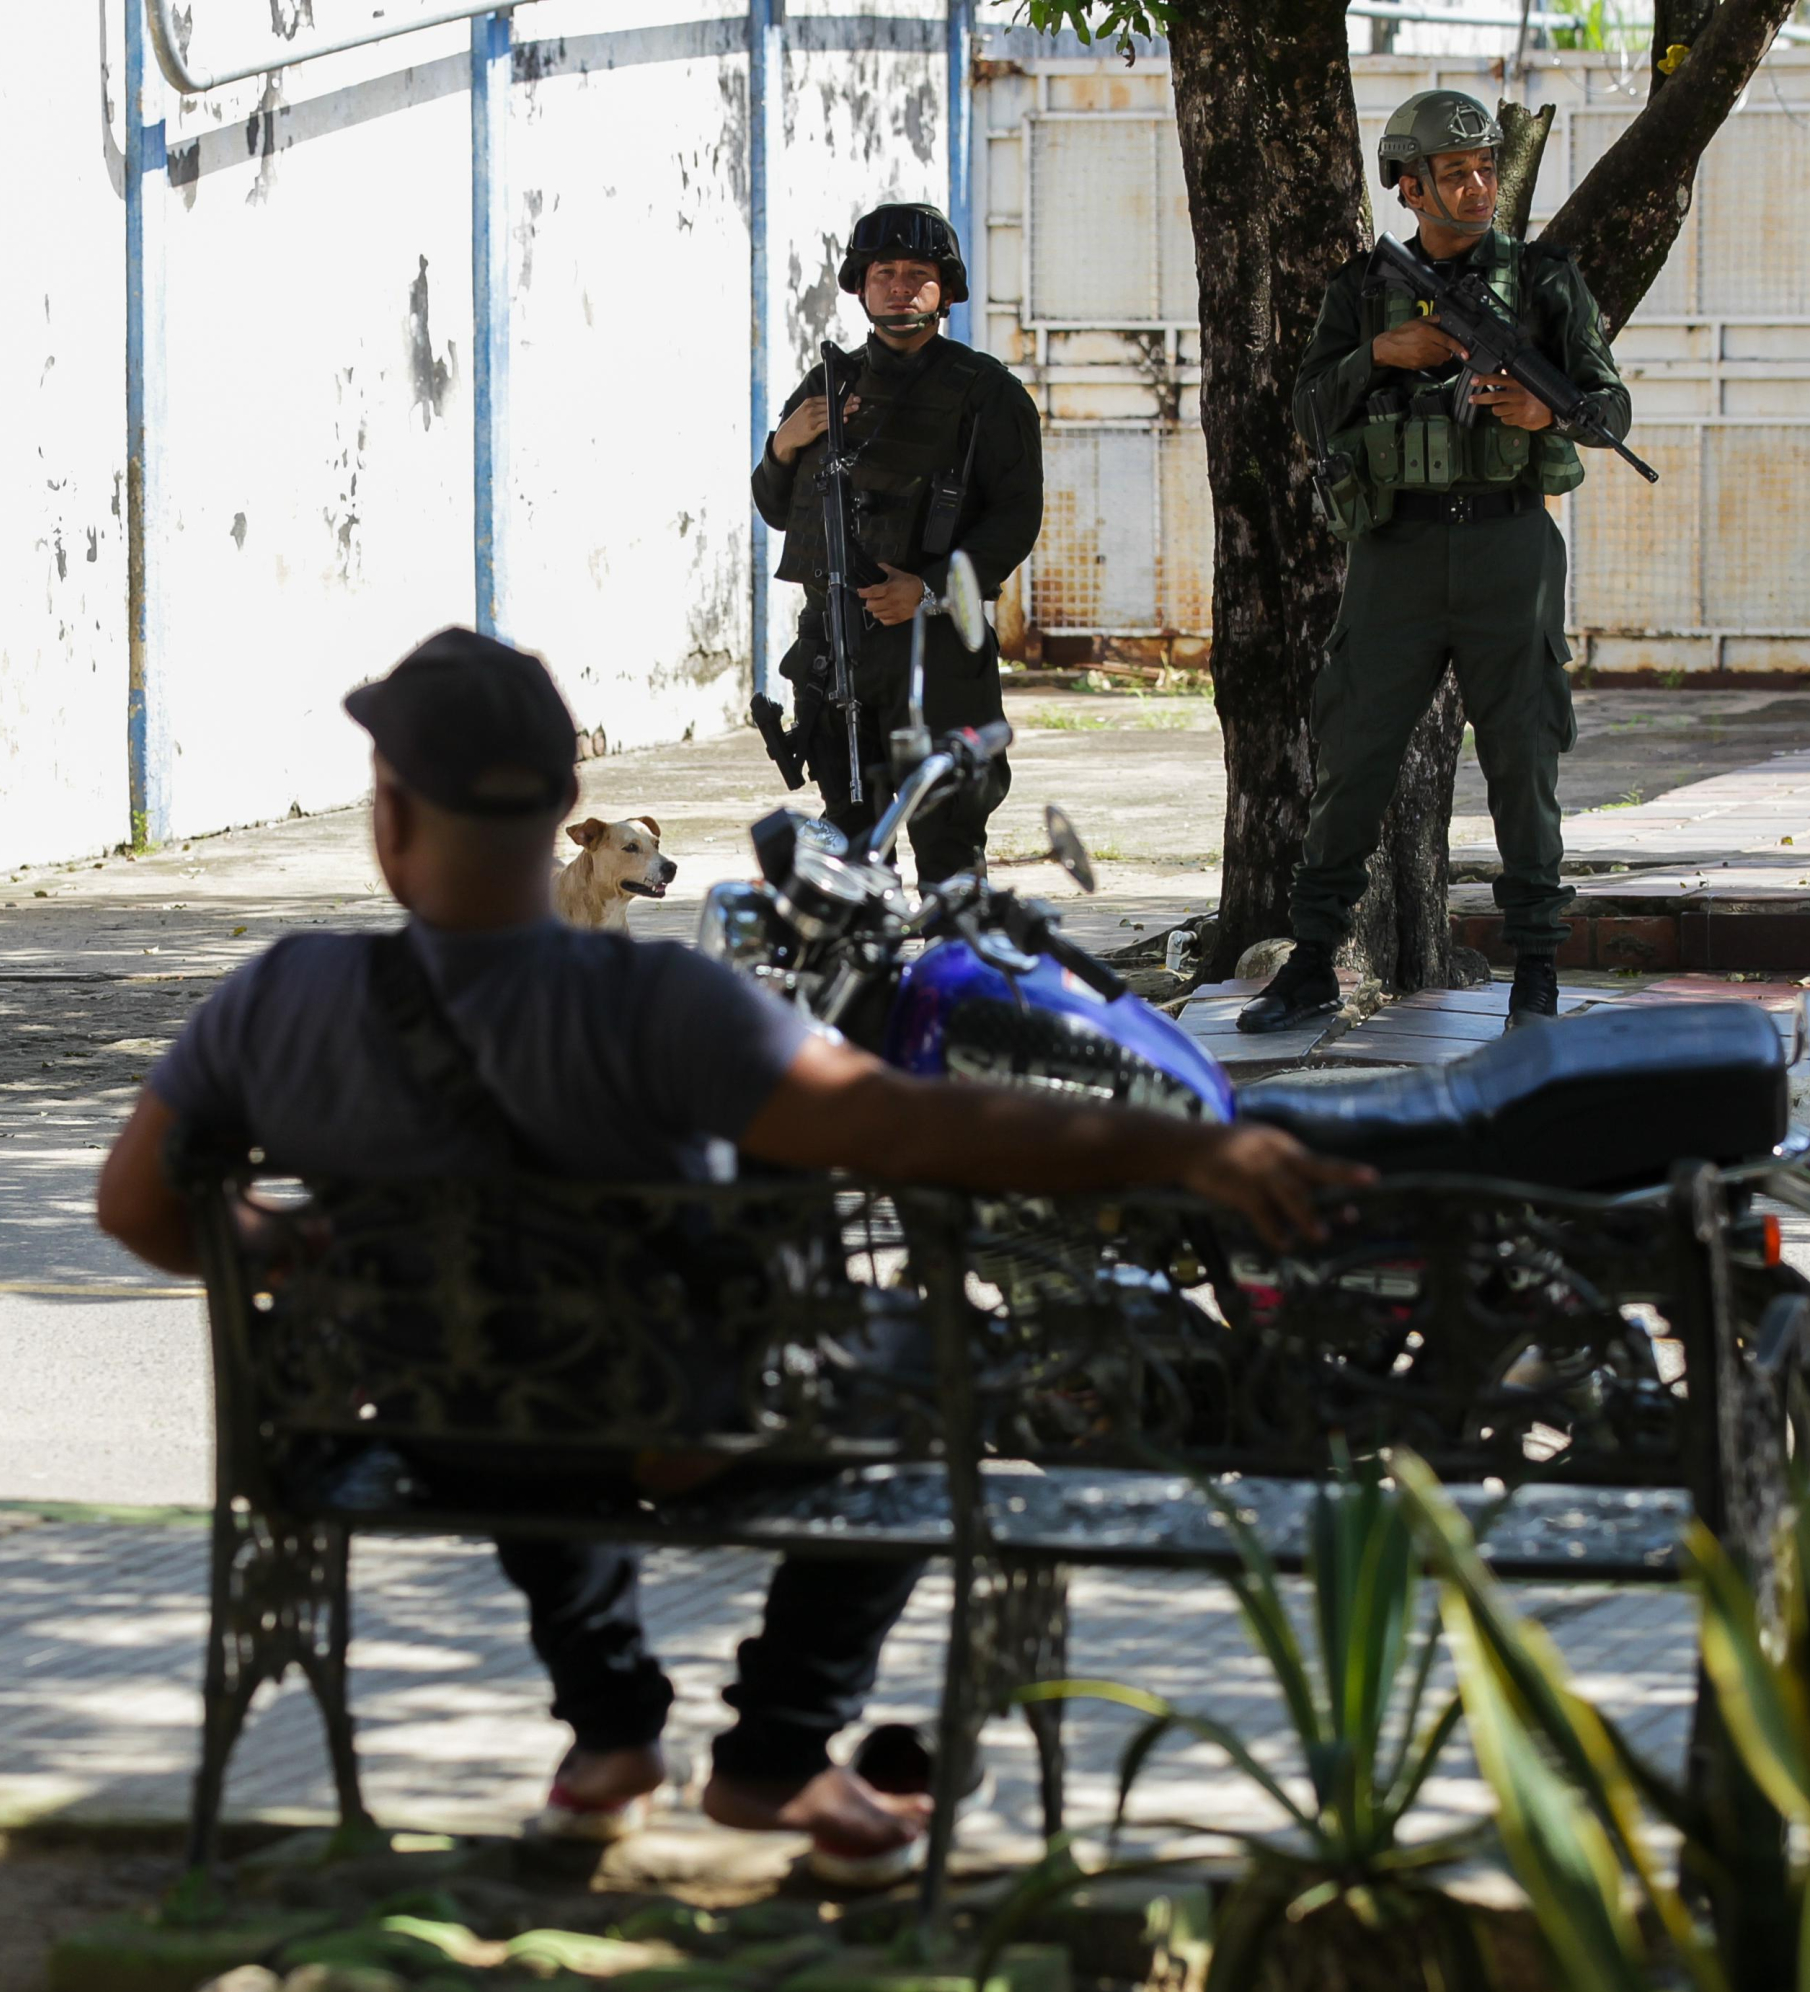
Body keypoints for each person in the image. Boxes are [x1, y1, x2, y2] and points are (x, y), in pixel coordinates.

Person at [95, 628, 1366, 1880]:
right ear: (564, 810)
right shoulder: (663, 1002)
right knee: (931, 1368)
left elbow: (143, 1210)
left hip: (428, 1414)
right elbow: (903, 1122)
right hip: (669, 1424)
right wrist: (1181, 1152)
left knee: (515, 1366)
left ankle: (609, 1736)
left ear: (388, 817)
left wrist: (302, 1242)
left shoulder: (278, 996)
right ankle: (776, 1745)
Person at [1244, 90, 1634, 1036]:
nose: (1476, 187)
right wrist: (1383, 351)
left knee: (1522, 756)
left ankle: (1534, 968)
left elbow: (1609, 407)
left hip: (1510, 546)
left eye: (1485, 169)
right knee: (1353, 755)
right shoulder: (1361, 290)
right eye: (1454, 173)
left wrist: (1549, 413)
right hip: (1396, 551)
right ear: (1409, 187)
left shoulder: (1542, 281)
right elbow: (1303, 411)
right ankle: (1310, 962)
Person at [750, 203, 1042, 885]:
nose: (900, 287)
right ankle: (852, 990)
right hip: (836, 646)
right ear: (860, 283)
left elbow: (1013, 518)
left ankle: (953, 987)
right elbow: (775, 509)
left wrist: (929, 586)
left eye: (918, 274)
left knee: (947, 832)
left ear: (945, 290)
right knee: (846, 841)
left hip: (933, 647)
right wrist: (783, 445)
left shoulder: (986, 393)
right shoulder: (827, 387)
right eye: (884, 272)